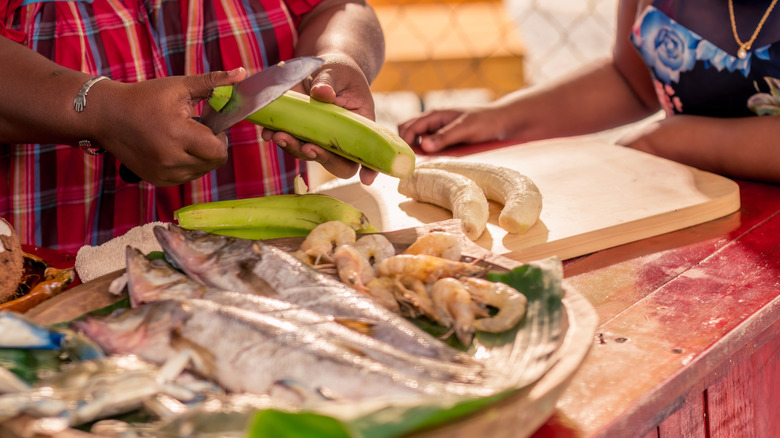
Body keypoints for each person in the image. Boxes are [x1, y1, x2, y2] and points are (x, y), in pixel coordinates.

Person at [0, 0, 384, 252]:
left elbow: (338, 7)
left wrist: (339, 56)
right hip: (48, 274)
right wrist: (100, 110)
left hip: (262, 273)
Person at [398, 0, 780, 184]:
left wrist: (676, 141)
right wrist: (500, 119)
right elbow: (631, 81)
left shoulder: (669, 144)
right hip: (690, 207)